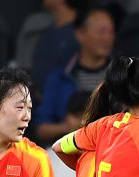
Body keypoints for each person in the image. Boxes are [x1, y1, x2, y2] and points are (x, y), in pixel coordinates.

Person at [35, 6, 116, 144]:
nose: (107, 38)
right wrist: (68, 127)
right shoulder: (59, 78)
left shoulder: (121, 76)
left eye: (111, 32)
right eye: (101, 32)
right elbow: (41, 129)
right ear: (80, 34)